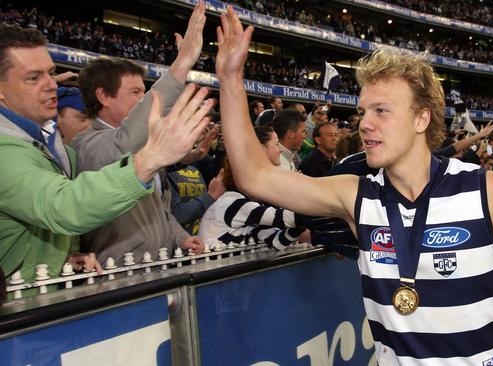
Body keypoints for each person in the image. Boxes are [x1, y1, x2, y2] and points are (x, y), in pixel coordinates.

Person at [215, 6, 493, 364]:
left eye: (381, 110)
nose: (364, 123)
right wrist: (231, 79)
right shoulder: (355, 194)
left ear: (421, 119)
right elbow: (255, 176)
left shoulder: (487, 189)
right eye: (362, 111)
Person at [0, 23, 212, 286]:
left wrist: (62, 259)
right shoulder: (8, 150)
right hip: (26, 314)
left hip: (138, 273)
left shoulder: (49, 145)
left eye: (50, 73)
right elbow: (63, 206)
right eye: (33, 77)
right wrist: (150, 158)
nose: (50, 84)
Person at [73, 1, 207, 264]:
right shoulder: (87, 145)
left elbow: (160, 210)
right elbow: (124, 144)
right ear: (103, 96)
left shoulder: (146, 146)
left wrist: (179, 237)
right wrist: (181, 65)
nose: (143, 100)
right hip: (119, 273)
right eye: (136, 93)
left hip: (157, 266)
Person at [199, 125, 307, 250]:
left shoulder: (249, 203)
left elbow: (277, 241)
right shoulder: (234, 202)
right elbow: (285, 219)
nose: (280, 150)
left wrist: (300, 227)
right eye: (276, 144)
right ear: (260, 149)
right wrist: (318, 206)